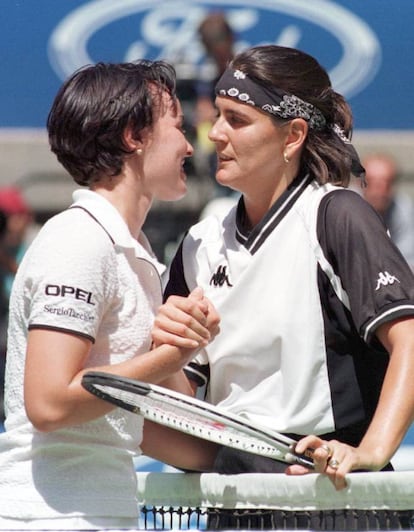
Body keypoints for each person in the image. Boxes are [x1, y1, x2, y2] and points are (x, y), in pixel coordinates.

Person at [152, 45, 414, 492]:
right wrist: (169, 350)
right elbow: (185, 408)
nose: (215, 133)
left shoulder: (337, 214)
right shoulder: (200, 243)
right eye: (217, 115)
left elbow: (409, 338)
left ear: (292, 136)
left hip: (332, 501)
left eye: (237, 119)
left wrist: (370, 452)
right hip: (233, 501)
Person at [0, 60, 219, 530]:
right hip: (50, 519)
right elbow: (50, 404)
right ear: (134, 136)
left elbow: (147, 428)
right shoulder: (79, 240)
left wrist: (259, 460)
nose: (189, 144)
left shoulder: (133, 255)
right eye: (178, 126)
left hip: (102, 513)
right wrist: (168, 357)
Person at [362, 152, 414, 270]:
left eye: (386, 182)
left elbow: (408, 260)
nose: (380, 190)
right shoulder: (346, 209)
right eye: (373, 182)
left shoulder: (403, 209)